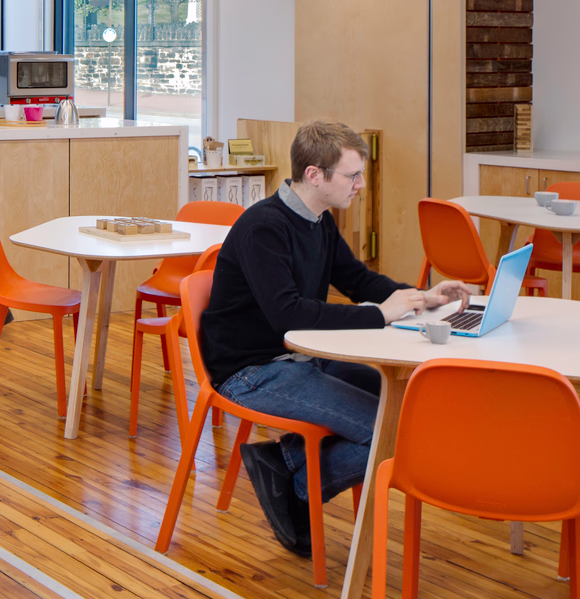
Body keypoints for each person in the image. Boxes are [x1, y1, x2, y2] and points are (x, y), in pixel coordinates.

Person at [199, 120, 477, 558]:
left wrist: (422, 297)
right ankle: (298, 480)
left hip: (301, 357)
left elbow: (357, 279)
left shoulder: (318, 221)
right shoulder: (263, 228)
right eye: (352, 176)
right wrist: (378, 316)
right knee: (387, 432)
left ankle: (286, 463)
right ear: (315, 175)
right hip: (250, 370)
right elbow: (287, 313)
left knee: (409, 413)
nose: (361, 185)